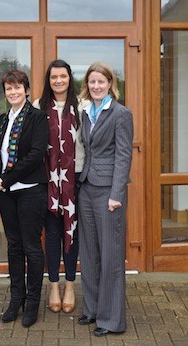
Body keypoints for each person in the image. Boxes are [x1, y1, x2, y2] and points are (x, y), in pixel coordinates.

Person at [0, 69, 49, 328]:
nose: (13, 92)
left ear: (27, 90)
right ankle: (15, 300)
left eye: (18, 87)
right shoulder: (2, 119)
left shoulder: (38, 118)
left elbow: (36, 154)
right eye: (9, 88)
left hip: (30, 190)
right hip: (7, 194)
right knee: (14, 246)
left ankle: (32, 304)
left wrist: (5, 178)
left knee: (32, 246)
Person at [77, 61, 133, 337]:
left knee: (110, 255)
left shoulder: (121, 114)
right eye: (92, 82)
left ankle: (111, 320)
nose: (96, 86)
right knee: (88, 253)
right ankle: (92, 310)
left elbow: (124, 156)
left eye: (101, 81)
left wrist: (116, 195)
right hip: (86, 187)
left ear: (111, 83)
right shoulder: (87, 112)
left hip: (108, 191)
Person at [33, 59, 86, 314]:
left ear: (69, 78)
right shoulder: (38, 107)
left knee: (72, 233)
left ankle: (70, 286)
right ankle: (53, 285)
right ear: (48, 80)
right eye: (53, 77)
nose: (58, 81)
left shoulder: (83, 107)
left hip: (75, 181)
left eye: (63, 76)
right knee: (53, 234)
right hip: (49, 182)